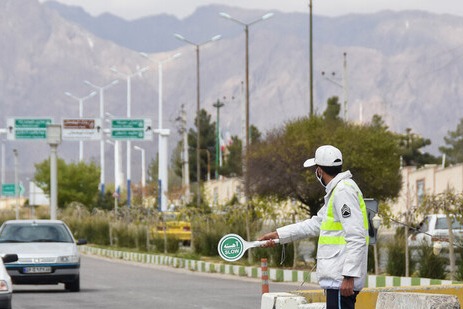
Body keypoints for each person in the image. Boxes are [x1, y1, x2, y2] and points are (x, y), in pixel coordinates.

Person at [258, 145, 369, 309]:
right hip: (337, 280)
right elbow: (314, 224)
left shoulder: (343, 191)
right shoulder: (337, 192)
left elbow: (356, 236)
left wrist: (349, 276)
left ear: (319, 171)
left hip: (341, 280)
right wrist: (279, 235)